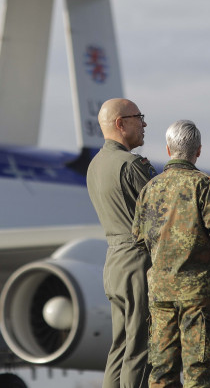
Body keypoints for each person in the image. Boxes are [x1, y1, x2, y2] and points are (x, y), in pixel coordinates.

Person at [133, 119, 210, 388]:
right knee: (199, 373)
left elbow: (139, 238)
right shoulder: (204, 185)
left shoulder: (149, 190)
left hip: (161, 294)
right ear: (198, 151)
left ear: (168, 150)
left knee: (162, 373)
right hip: (198, 297)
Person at [87, 98, 156, 388]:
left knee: (120, 348)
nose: (143, 124)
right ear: (120, 123)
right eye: (138, 117)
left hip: (114, 263)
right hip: (138, 261)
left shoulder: (95, 165)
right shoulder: (132, 165)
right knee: (141, 348)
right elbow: (162, 215)